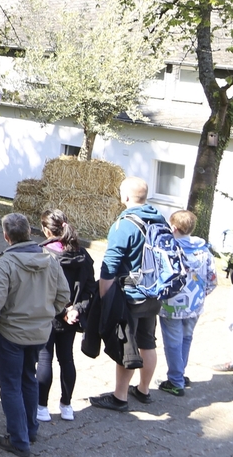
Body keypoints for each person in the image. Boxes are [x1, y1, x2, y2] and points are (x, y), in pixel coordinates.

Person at [0, 213, 69, 457]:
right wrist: (46, 315)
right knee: (28, 378)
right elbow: (64, 296)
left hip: (10, 334)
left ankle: (19, 440)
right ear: (30, 233)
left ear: (6, 236)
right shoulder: (51, 260)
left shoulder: (4, 263)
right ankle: (30, 430)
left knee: (10, 386)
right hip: (40, 333)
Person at [89, 177, 169, 412]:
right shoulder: (159, 219)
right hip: (155, 292)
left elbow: (110, 265)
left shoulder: (124, 225)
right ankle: (143, 390)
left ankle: (120, 397)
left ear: (124, 196)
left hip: (131, 294)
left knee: (127, 345)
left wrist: (105, 296)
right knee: (148, 341)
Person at [35, 209, 96, 422]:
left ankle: (41, 407)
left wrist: (62, 311)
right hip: (72, 318)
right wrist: (76, 310)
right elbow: (90, 289)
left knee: (44, 359)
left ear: (45, 229)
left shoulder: (42, 254)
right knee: (67, 359)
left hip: (48, 315)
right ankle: (67, 405)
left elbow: (42, 290)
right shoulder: (84, 255)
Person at [157, 209, 218, 396]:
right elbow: (213, 279)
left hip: (171, 304)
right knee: (186, 338)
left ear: (173, 227)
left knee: (173, 342)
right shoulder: (204, 251)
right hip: (195, 305)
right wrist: (201, 295)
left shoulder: (169, 250)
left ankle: (175, 381)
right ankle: (179, 373)